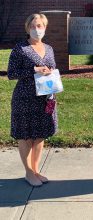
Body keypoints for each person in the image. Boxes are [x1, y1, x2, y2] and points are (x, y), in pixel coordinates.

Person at [7, 13, 57, 187]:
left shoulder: (49, 48)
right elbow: (11, 74)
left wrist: (50, 71)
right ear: (27, 28)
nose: (37, 29)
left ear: (45, 27)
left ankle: (36, 170)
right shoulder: (20, 49)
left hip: (45, 98)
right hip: (25, 99)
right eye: (34, 26)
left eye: (40, 26)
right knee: (26, 136)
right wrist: (33, 70)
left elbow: (53, 67)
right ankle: (28, 172)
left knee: (40, 135)